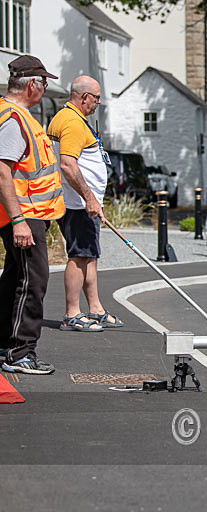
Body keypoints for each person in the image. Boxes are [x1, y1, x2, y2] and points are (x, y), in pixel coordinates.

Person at [0, 55, 63, 374]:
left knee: (15, 278)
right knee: (33, 280)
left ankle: (5, 344)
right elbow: (3, 172)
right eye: (45, 83)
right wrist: (19, 221)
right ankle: (20, 352)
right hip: (24, 215)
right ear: (33, 85)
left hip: (25, 214)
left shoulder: (15, 114)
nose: (45, 88)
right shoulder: (14, 119)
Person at [48, 75, 122, 332]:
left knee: (90, 255)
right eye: (96, 98)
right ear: (84, 97)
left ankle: (95, 309)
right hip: (78, 203)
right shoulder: (71, 122)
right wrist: (89, 198)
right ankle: (72, 313)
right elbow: (68, 164)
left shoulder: (71, 118)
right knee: (79, 255)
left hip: (83, 202)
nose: (98, 102)